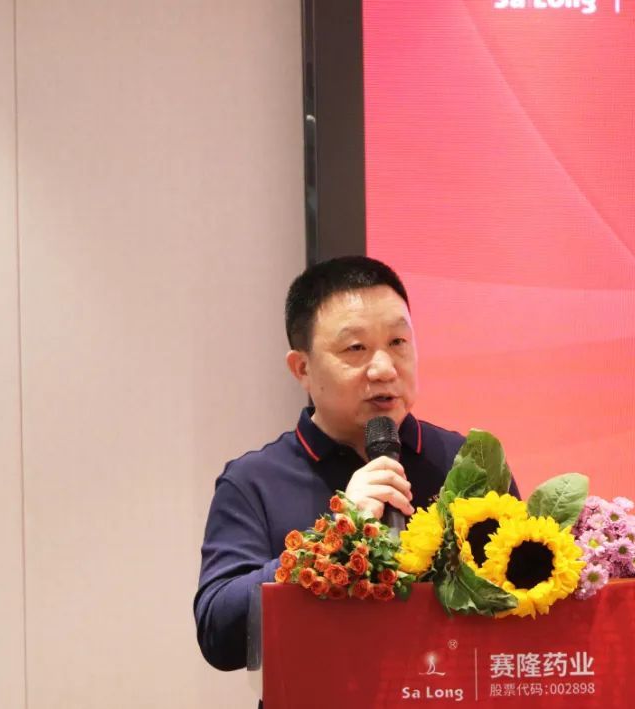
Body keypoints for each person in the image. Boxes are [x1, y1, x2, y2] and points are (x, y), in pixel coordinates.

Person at [193, 255, 520, 671]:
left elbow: (521, 598)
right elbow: (219, 635)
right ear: (302, 368)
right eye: (356, 348)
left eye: (398, 342)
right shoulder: (254, 481)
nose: (384, 369)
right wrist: (333, 538)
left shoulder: (467, 463)